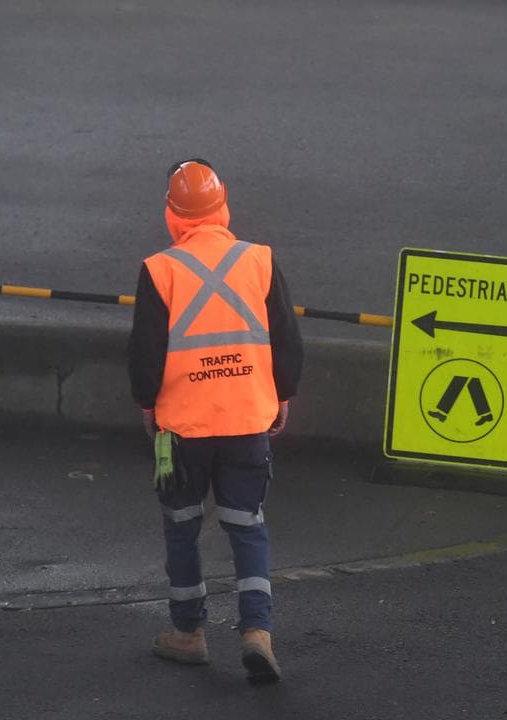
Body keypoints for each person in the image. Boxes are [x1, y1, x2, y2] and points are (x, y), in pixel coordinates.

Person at [128, 158, 303, 684]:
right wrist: (283, 396)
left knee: (182, 529)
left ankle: (188, 634)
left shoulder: (160, 269)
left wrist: (147, 407)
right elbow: (287, 342)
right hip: (248, 419)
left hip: (182, 428)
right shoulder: (260, 261)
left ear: (172, 213)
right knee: (247, 527)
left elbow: (145, 353)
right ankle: (257, 632)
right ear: (223, 203)